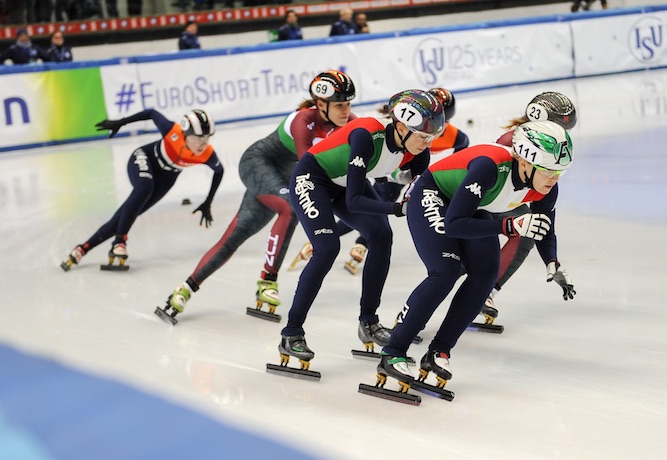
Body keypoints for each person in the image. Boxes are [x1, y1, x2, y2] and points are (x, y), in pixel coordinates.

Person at [376, 120, 574, 395]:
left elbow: (545, 227)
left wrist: (552, 261)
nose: (554, 179)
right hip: (433, 195)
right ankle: (393, 351)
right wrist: (508, 226)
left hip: (474, 207)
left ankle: (439, 350)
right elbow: (455, 223)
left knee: (486, 273)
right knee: (445, 270)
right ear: (526, 163)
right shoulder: (489, 167)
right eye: (550, 171)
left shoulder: (546, 186)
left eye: (560, 172)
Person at [156, 71, 357, 324]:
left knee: (234, 236)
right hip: (256, 164)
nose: (346, 111)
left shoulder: (350, 121)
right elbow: (310, 166)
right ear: (320, 104)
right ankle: (268, 280)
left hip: (280, 179)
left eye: (349, 104)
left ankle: (183, 289)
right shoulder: (302, 120)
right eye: (340, 105)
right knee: (291, 207)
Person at [273, 89, 445, 374]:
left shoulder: (418, 153)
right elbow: (354, 200)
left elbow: (417, 197)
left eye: (431, 137)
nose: (427, 143)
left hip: (342, 184)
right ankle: (291, 333)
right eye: (422, 136)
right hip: (312, 178)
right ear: (400, 127)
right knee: (327, 248)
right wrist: (394, 209)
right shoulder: (366, 135)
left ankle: (369, 321)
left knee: (382, 236)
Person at [323, 87, 469, 275]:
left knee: (386, 204)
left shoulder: (453, 135)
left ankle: (352, 239)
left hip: (410, 165)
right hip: (393, 165)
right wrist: (393, 175)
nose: (434, 133)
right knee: (380, 202)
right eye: (427, 127)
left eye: (442, 125)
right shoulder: (406, 129)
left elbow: (463, 145)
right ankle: (356, 241)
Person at [60, 109, 223, 271]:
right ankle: (120, 241)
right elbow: (151, 113)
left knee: (126, 215)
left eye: (208, 137)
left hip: (166, 179)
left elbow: (219, 171)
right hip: (145, 159)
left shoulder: (207, 154)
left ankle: (82, 249)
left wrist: (208, 202)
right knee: (144, 187)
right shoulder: (171, 130)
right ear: (185, 133)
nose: (204, 143)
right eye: (199, 137)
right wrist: (121, 122)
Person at [479, 92, 578, 328]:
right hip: (483, 200)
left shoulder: (541, 146)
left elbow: (544, 214)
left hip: (501, 201)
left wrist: (551, 259)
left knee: (526, 233)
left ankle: (486, 290)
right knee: (468, 256)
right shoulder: (512, 143)